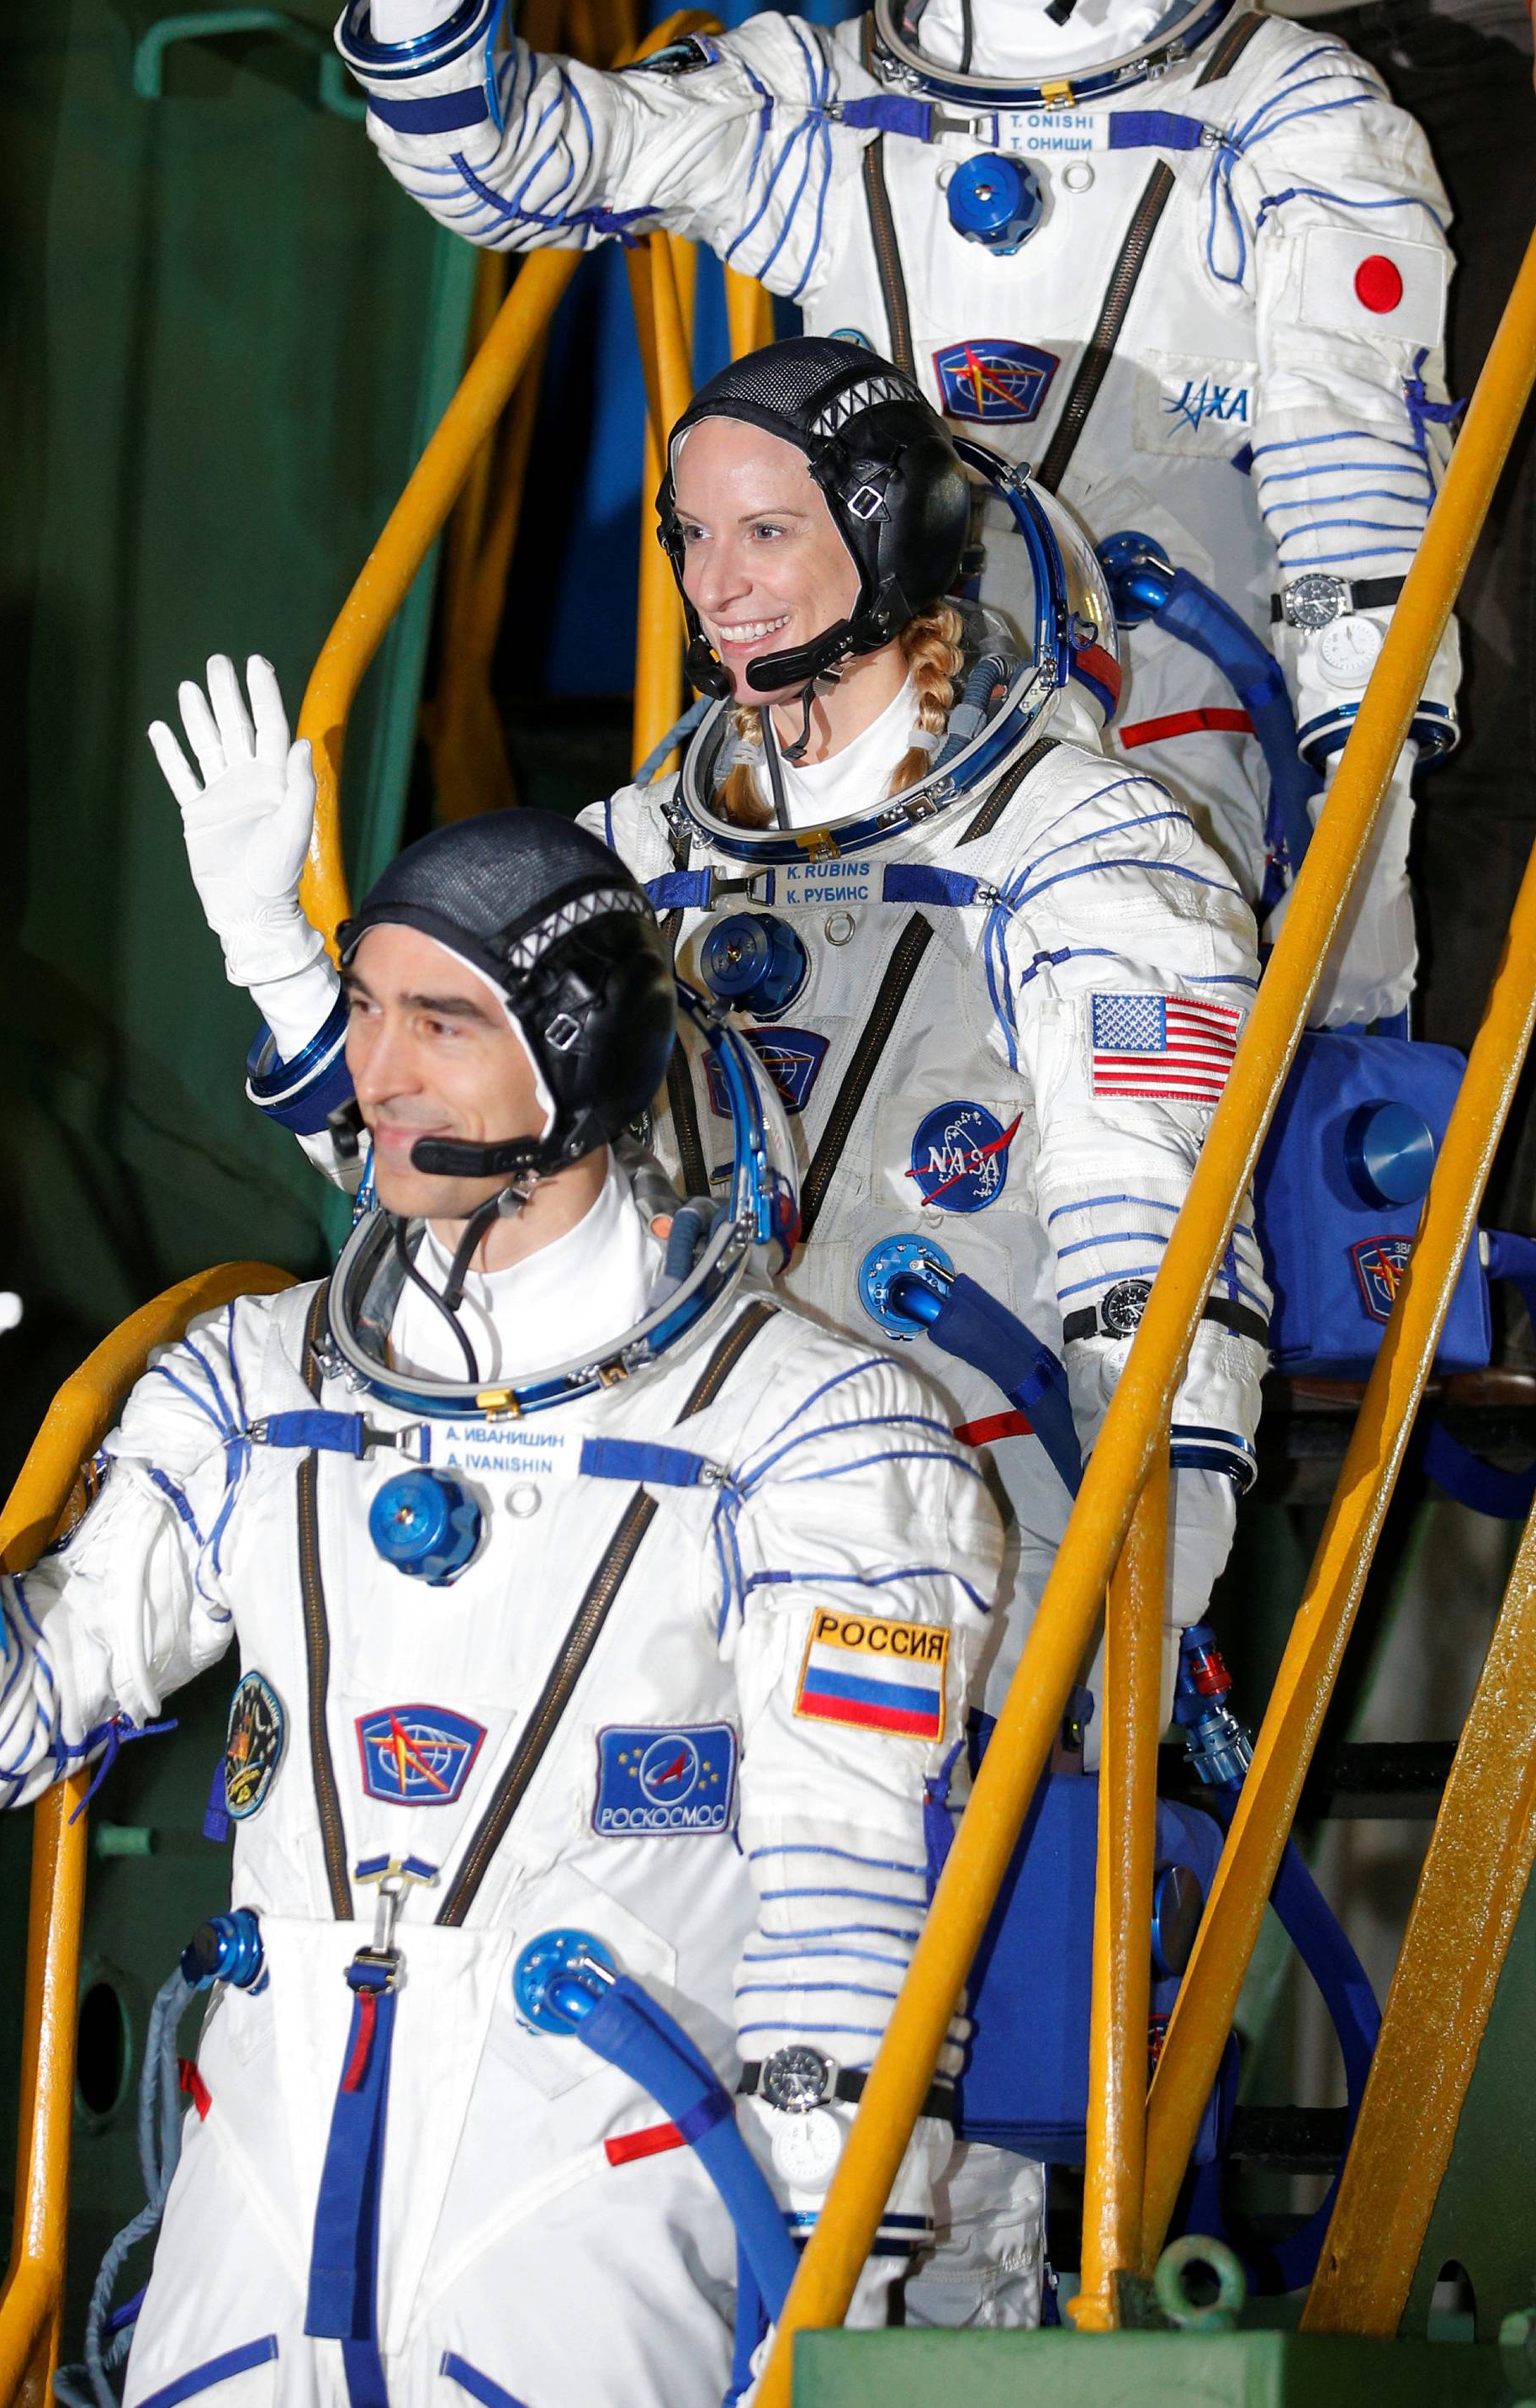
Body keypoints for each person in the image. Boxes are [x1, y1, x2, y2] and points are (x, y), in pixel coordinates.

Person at [159, 340, 1269, 2328]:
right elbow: (460, 1173)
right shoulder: (650, 841)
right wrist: (274, 958)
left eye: (770, 529)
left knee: (917, 2186)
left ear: (897, 534)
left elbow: (1157, 1285)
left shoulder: (1096, 858)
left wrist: (1122, 1614)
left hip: (970, 1553)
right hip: (662, 1537)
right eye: (690, 538)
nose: (723, 581)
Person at [0, 809, 1002, 2408]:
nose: (378, 1069)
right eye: (363, 1010)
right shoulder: (246, 1387)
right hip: (261, 2214)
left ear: (581, 1055)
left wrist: (828, 2301)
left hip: (599, 2213)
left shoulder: (816, 1437)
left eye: (443, 1021)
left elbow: (846, 1943)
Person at [332, 0, 1459, 1021]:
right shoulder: (825, 105)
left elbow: (1352, 505)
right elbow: (506, 169)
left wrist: (1357, 854)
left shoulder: (1286, 116)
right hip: (839, 729)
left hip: (1168, 738)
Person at [1184, 0, 1536, 1049]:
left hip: (1494, 53)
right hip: (1255, 85)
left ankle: (1468, 1220)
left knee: (1479, 654)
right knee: (1272, 639)